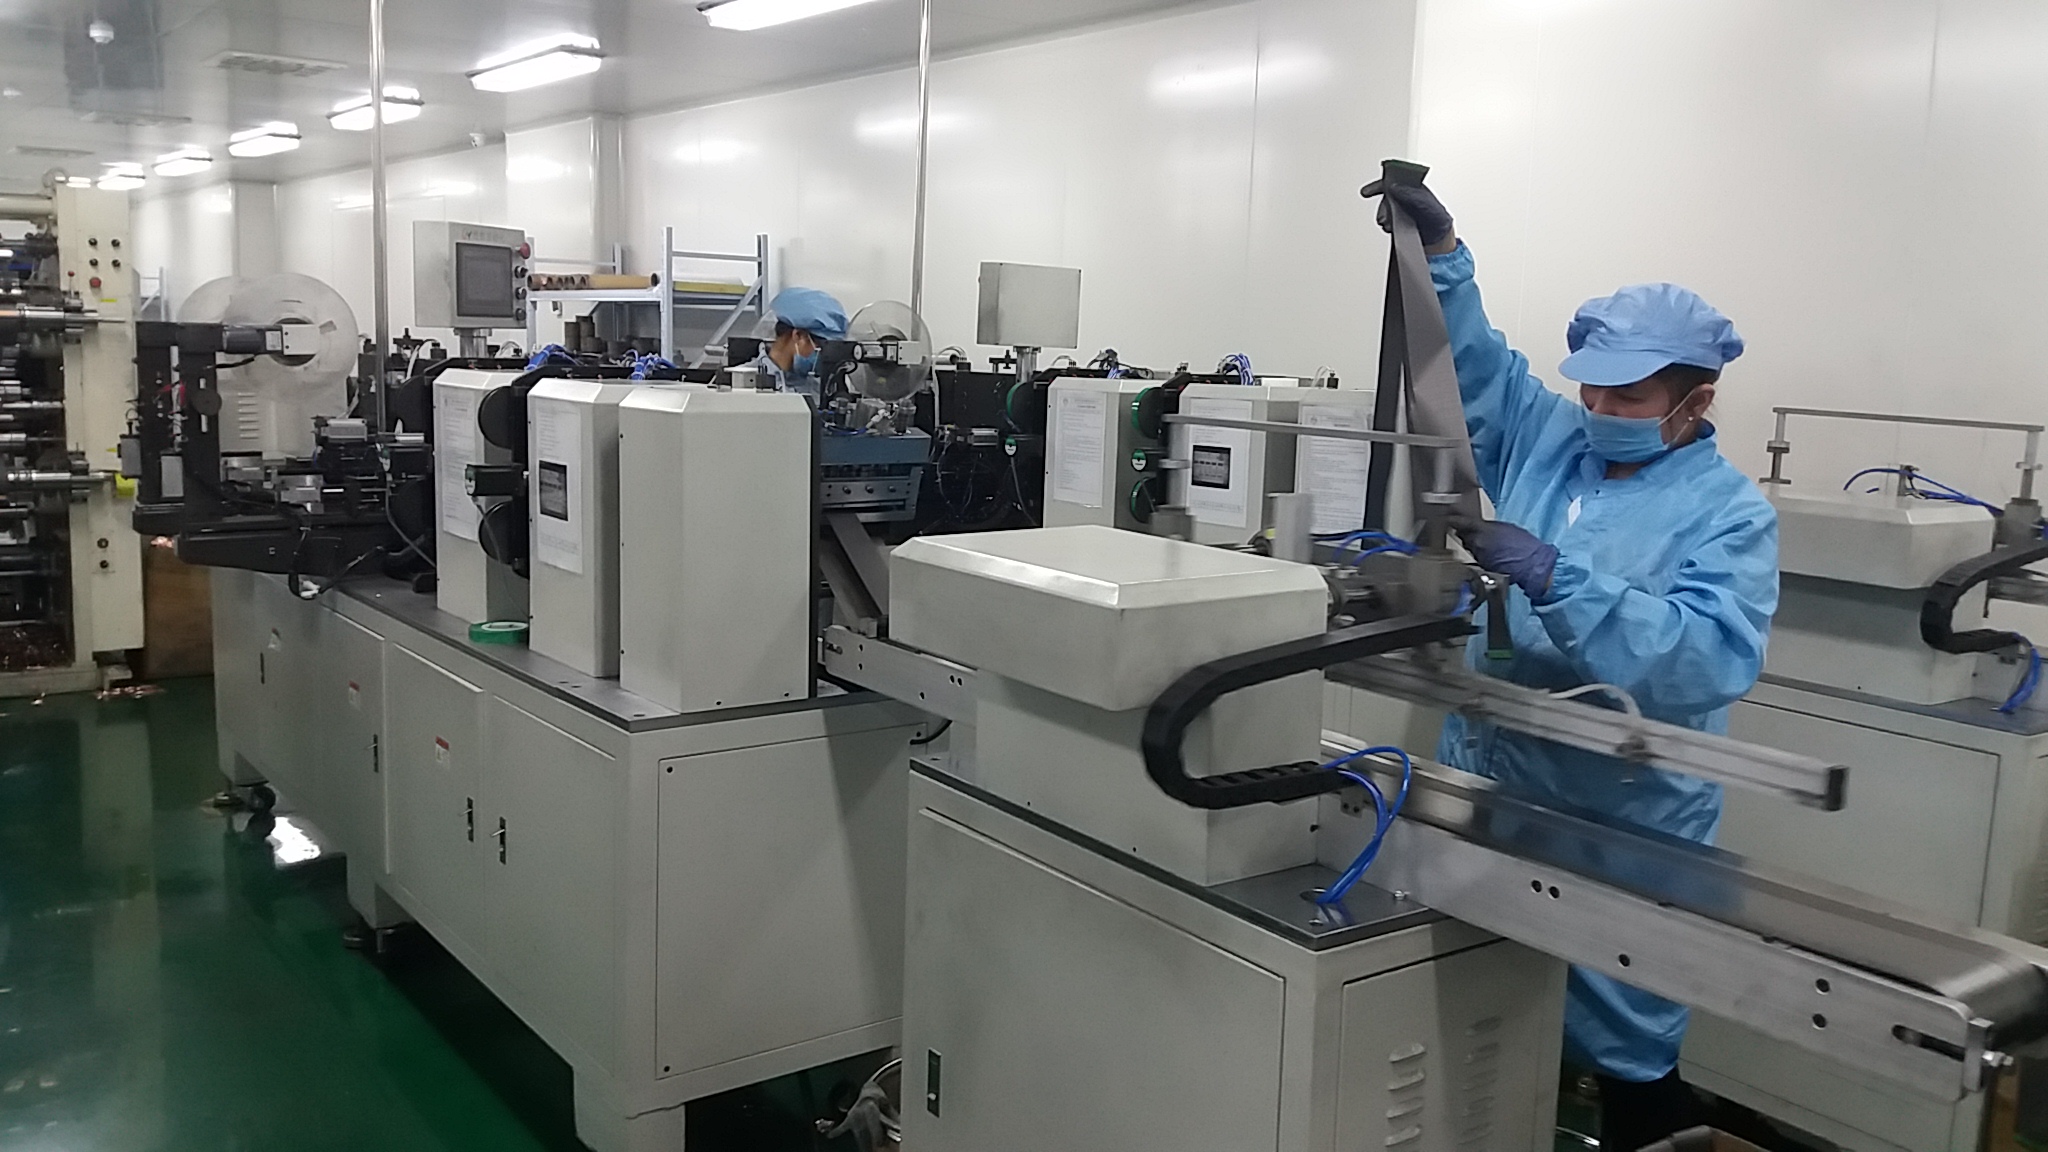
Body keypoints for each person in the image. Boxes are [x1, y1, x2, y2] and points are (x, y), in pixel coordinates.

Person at [1375, 179, 1780, 1151]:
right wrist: (1441, 261)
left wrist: (1560, 579)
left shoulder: (1730, 514)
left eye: (1628, 395)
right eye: (1591, 385)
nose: (1598, 406)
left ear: (1694, 402)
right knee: (1485, 1006)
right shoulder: (1552, 436)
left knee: (1628, 1045)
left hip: (1621, 811)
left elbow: (1703, 658)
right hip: (1492, 776)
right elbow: (1469, 368)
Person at [751, 286, 849, 398]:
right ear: (798, 336)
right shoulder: (743, 382)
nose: (828, 355)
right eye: (824, 346)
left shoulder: (822, 387)